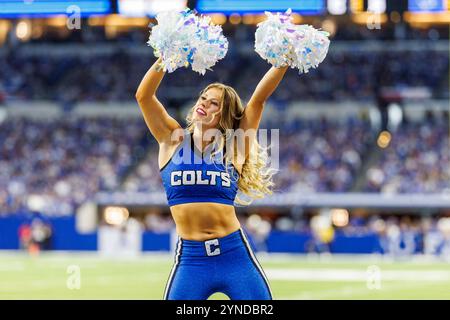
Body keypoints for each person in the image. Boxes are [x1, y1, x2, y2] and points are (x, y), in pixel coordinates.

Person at [135, 56, 288, 300]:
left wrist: (284, 61)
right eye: (203, 98)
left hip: (234, 255)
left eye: (214, 103)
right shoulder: (172, 139)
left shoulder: (235, 146)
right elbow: (144, 96)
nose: (204, 103)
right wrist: (165, 56)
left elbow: (258, 100)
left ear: (223, 115)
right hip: (191, 260)